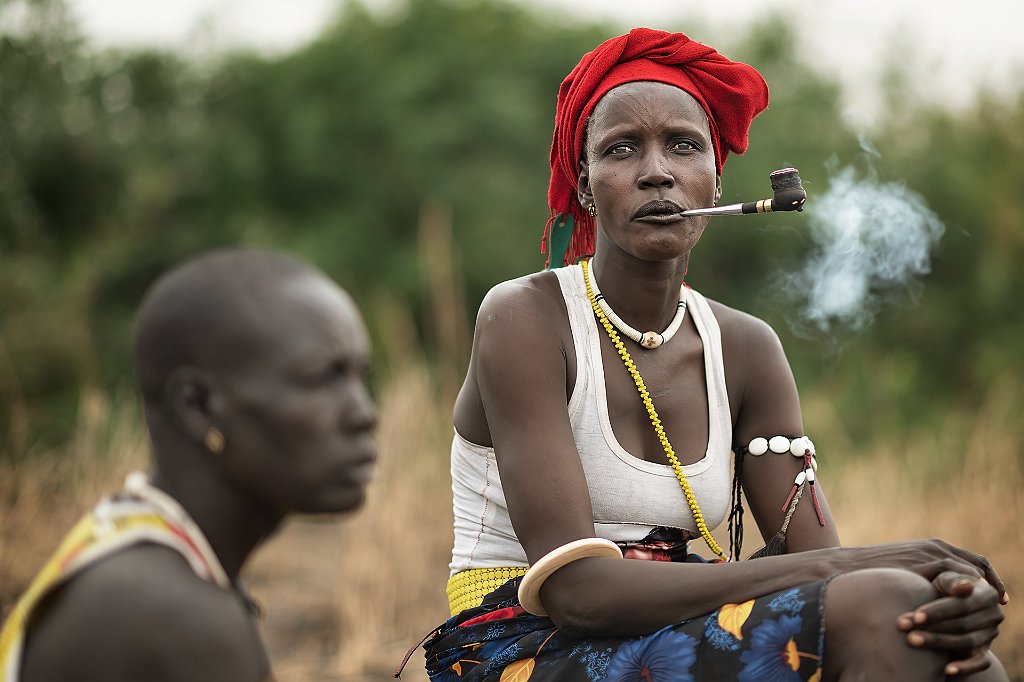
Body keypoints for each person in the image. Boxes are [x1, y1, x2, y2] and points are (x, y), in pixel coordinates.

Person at [418, 28, 1007, 681]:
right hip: (519, 643)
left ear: (714, 179)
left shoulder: (747, 349)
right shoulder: (525, 318)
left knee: (932, 634)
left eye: (683, 145)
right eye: (621, 150)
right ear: (585, 186)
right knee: (884, 595)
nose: (656, 171)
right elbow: (579, 595)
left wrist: (943, 594)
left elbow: (822, 560)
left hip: (672, 626)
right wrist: (865, 566)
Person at [0, 248, 378, 682]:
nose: (365, 413)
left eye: (358, 376)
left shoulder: (144, 561)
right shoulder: (168, 615)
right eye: (321, 378)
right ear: (197, 406)